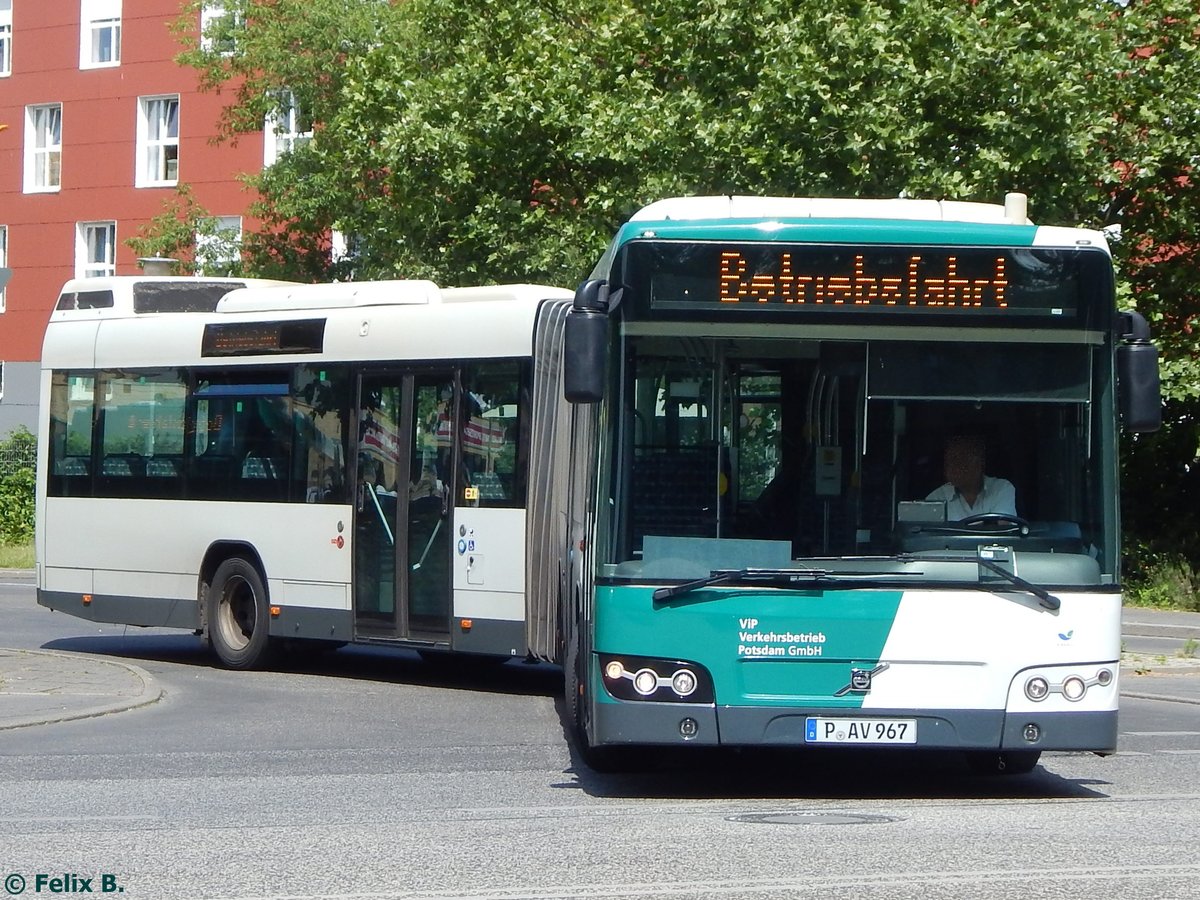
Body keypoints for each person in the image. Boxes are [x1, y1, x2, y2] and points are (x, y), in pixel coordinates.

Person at [925, 434, 1017, 520]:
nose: (953, 467)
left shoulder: (1002, 488)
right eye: (949, 462)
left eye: (960, 460)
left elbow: (1002, 527)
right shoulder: (936, 499)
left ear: (979, 463)